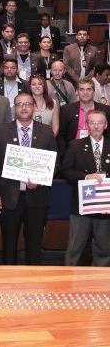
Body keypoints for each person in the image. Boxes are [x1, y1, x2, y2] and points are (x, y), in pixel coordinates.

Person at [0, 92, 58, 265]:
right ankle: (8, 279)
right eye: (20, 104)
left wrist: (40, 180)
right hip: (9, 198)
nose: (24, 107)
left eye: (27, 104)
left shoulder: (46, 132)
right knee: (8, 245)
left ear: (34, 107)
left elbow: (55, 164)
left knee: (34, 245)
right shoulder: (1, 132)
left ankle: (33, 279)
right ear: (14, 108)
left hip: (37, 198)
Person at [61, 110, 110, 266]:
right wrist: (86, 177)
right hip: (81, 206)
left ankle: (101, 280)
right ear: (87, 125)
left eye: (99, 122)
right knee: (74, 248)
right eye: (92, 123)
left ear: (106, 125)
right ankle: (68, 278)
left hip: (105, 208)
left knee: (104, 249)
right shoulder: (75, 145)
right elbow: (65, 171)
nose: (96, 126)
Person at [58, 78, 110, 157]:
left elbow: (108, 134)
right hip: (73, 153)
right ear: (77, 92)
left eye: (89, 89)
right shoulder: (66, 110)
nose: (85, 92)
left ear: (94, 92)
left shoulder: (105, 110)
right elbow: (61, 136)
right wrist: (66, 154)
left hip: (98, 152)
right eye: (81, 89)